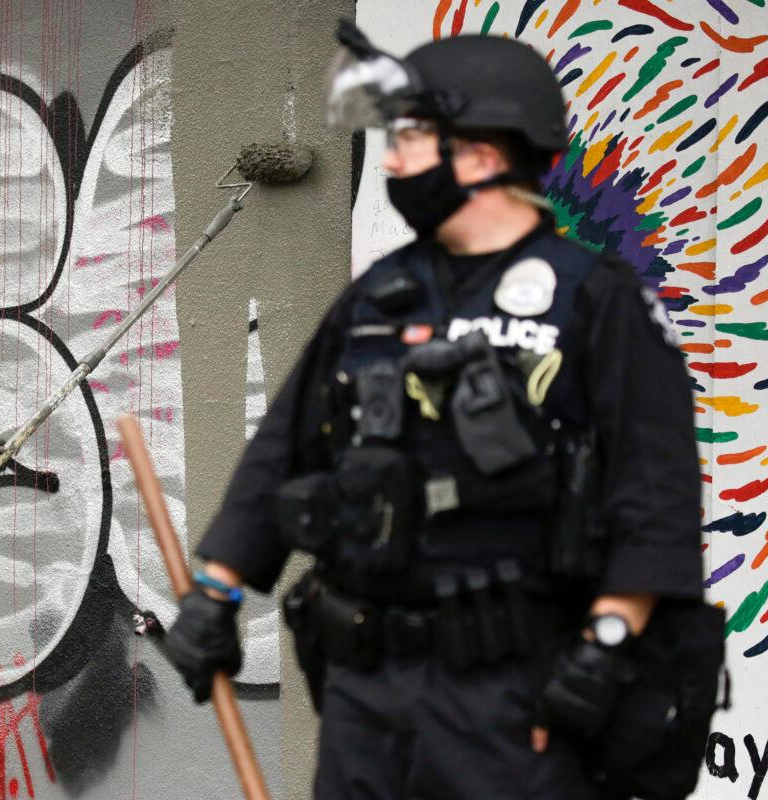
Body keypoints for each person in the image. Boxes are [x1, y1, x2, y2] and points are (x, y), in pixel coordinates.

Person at [164, 23, 716, 800]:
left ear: (484, 153)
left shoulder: (595, 301)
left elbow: (655, 493)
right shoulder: (378, 299)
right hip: (365, 689)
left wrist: (608, 646)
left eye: (413, 137)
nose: (391, 159)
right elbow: (283, 452)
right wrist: (216, 595)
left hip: (513, 692)